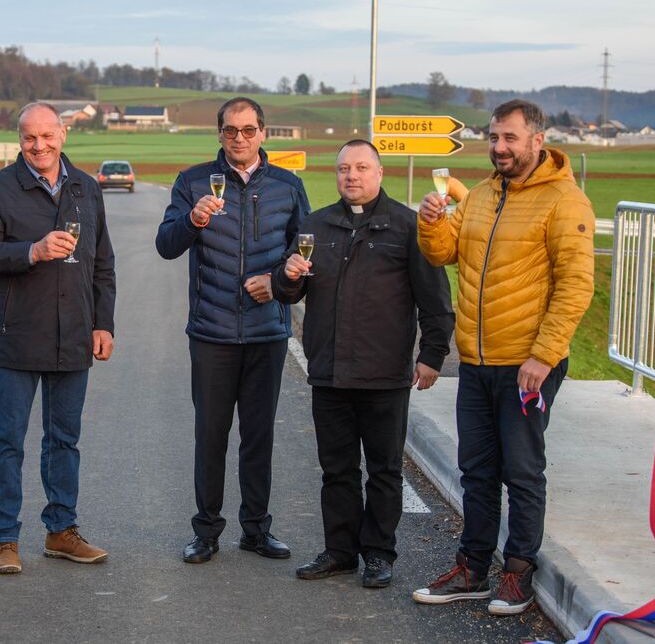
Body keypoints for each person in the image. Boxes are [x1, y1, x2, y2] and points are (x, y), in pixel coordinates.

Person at [411, 99, 595, 615]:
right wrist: (431, 223)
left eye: (510, 138)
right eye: (493, 137)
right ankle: (472, 568)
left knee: (522, 470)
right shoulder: (483, 194)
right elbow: (444, 252)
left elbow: (576, 285)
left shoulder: (565, 200)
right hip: (477, 360)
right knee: (476, 469)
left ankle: (518, 573)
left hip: (527, 363)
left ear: (538, 140)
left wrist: (544, 354)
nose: (499, 147)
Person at [272, 139, 454, 588]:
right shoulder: (315, 225)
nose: (351, 176)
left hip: (384, 373)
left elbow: (435, 299)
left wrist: (432, 355)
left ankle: (378, 553)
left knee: (384, 471)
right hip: (329, 371)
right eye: (343, 169)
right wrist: (287, 276)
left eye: (360, 168)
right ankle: (339, 551)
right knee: (337, 470)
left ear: (379, 173)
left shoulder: (407, 227)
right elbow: (289, 290)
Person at [0, 103, 116, 575]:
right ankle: (4, 538)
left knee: (65, 440)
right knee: (8, 441)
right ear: (19, 139)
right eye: (30, 137)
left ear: (63, 134)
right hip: (19, 334)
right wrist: (32, 251)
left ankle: (61, 530)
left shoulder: (86, 188)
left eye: (47, 135)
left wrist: (103, 324)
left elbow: (103, 264)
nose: (39, 145)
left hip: (74, 335)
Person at [156, 97, 310, 564]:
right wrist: (193, 219)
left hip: (267, 333)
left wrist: (277, 281)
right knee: (211, 437)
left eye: (247, 130)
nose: (238, 138)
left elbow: (305, 252)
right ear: (219, 133)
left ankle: (256, 530)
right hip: (212, 333)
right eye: (229, 130)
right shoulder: (192, 182)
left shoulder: (288, 186)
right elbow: (165, 245)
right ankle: (206, 532)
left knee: (258, 437)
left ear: (262, 132)